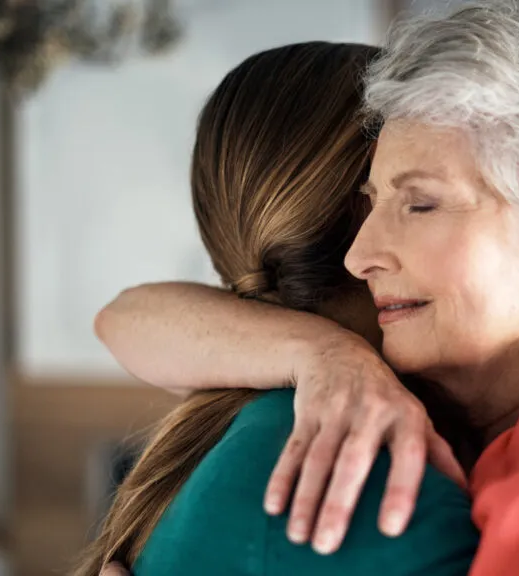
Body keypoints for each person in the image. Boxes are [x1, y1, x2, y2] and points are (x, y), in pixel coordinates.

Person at [92, 1, 519, 574]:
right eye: (371, 203)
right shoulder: (433, 432)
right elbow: (125, 319)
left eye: (422, 204)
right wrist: (326, 355)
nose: (361, 254)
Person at [76, 41, 479, 576]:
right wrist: (329, 353)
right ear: (371, 206)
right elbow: (118, 318)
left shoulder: (228, 420)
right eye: (420, 200)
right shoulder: (393, 499)